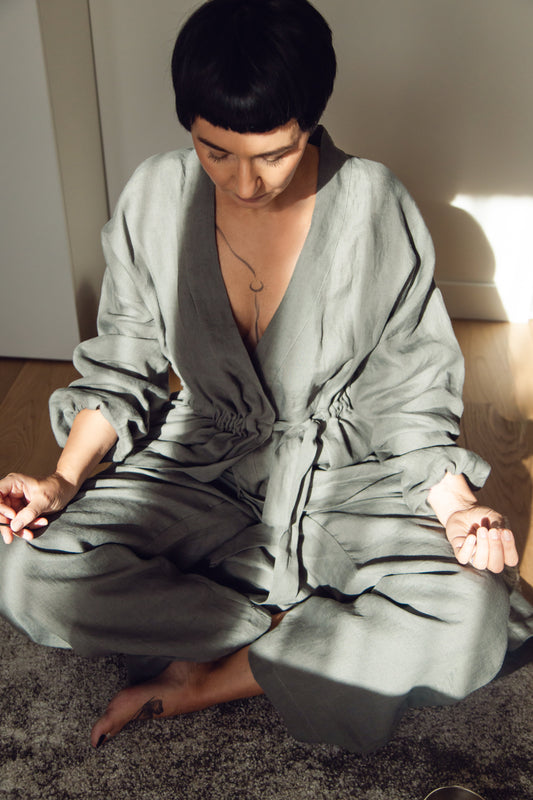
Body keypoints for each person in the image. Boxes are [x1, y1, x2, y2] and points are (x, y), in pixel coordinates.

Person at [0, 0, 528, 755]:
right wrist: (60, 484)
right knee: (23, 573)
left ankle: (214, 674)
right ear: (189, 125)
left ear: (310, 123)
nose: (244, 183)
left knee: (471, 616)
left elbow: (407, 394)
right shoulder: (153, 198)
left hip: (350, 473)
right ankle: (315, 628)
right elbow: (127, 363)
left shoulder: (375, 203)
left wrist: (456, 511)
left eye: (273, 156)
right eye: (215, 152)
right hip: (201, 465)